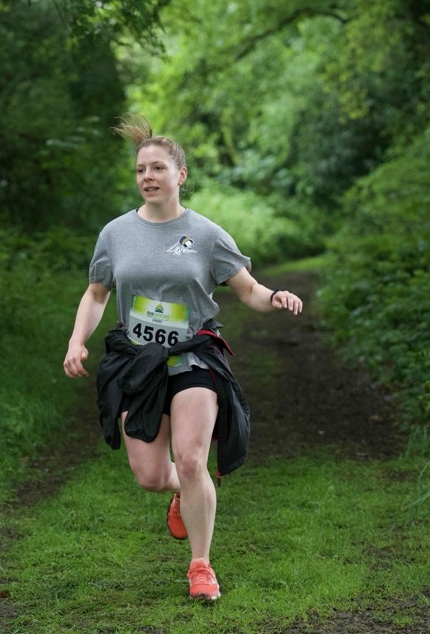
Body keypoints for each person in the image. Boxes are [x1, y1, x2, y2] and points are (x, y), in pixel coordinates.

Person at [62, 114, 304, 602]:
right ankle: (182, 491)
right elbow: (96, 294)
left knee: (192, 460)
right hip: (138, 360)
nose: (147, 177)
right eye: (140, 170)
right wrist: (76, 340)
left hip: (194, 356)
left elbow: (248, 289)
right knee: (151, 476)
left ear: (181, 175)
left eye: (157, 168)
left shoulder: (207, 234)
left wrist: (274, 296)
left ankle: (201, 566)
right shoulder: (116, 234)